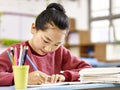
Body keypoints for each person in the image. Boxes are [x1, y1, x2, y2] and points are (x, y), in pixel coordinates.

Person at [0, 3, 92, 86]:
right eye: (46, 40)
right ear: (34, 28)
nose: (48, 48)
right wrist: (22, 79)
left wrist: (65, 76)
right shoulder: (16, 52)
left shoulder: (60, 52)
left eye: (57, 44)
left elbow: (87, 70)